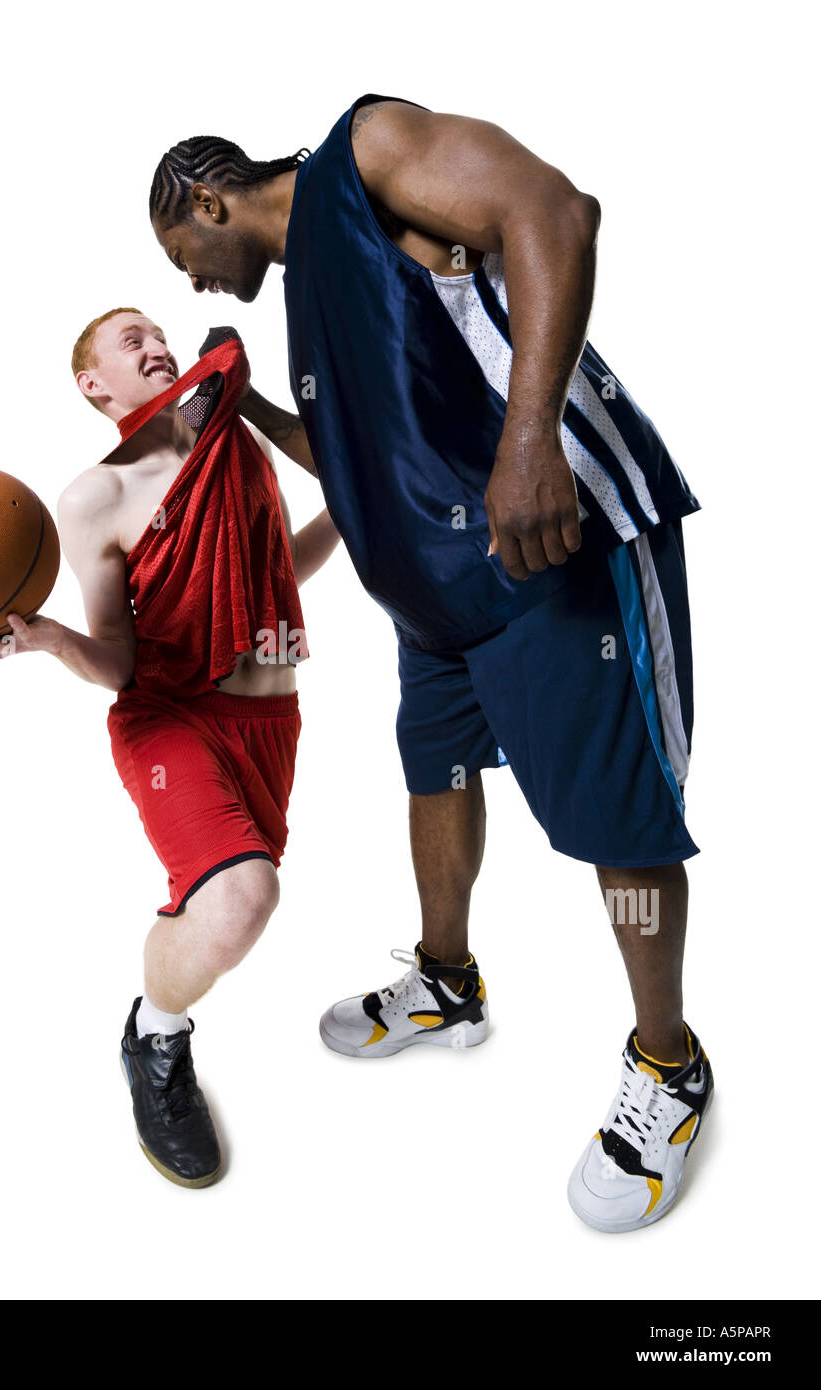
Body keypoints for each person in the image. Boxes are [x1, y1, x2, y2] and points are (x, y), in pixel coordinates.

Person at [147, 94, 713, 1232]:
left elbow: (556, 209)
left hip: (550, 543)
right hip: (440, 599)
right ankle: (448, 985)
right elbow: (353, 449)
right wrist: (247, 405)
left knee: (620, 824)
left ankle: (670, 1063)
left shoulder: (368, 153)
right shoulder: (311, 293)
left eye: (185, 255)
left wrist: (527, 441)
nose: (195, 282)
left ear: (208, 197)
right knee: (434, 777)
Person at [0, 310, 339, 1189]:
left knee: (229, 899)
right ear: (94, 386)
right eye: (128, 341)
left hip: (271, 719)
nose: (155, 344)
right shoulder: (92, 498)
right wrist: (44, 640)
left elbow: (272, 572)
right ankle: (155, 1031)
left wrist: (351, 512)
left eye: (156, 330)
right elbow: (118, 657)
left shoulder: (241, 449)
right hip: (168, 718)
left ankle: (163, 1007)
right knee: (240, 902)